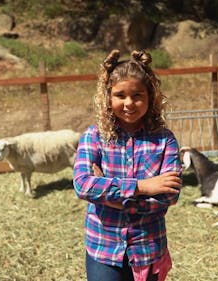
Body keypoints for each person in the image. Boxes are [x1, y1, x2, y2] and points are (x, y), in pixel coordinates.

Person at [73, 49, 183, 281]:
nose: (129, 103)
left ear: (150, 96)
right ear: (108, 97)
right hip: (103, 247)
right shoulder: (94, 137)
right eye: (120, 95)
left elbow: (169, 196)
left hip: (148, 248)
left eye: (137, 95)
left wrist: (108, 197)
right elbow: (82, 185)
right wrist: (143, 187)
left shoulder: (165, 139)